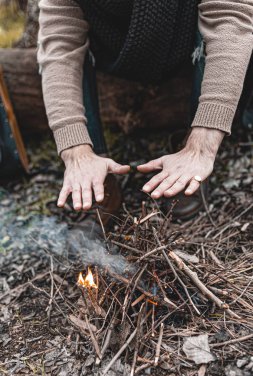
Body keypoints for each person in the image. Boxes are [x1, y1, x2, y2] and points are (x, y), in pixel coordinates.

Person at [37, 0, 253, 222]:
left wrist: (202, 145)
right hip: (112, 48)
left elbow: (229, 16)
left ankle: (190, 151)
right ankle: (93, 171)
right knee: (64, 43)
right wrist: (75, 151)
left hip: (187, 38)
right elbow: (59, 42)